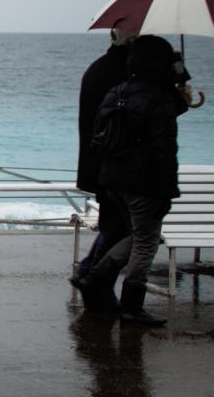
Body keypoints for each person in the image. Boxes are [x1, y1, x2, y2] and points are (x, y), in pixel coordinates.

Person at [77, 35, 194, 327]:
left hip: (112, 180)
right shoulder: (159, 99)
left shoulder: (117, 92)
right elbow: (164, 150)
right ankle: (131, 304)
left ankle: (93, 276)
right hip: (143, 183)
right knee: (146, 242)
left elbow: (102, 137)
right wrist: (167, 192)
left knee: (133, 236)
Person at [70, 27, 136, 313]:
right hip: (121, 167)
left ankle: (91, 277)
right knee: (122, 229)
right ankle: (93, 276)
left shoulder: (96, 70)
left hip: (98, 164)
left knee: (114, 225)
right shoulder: (126, 76)